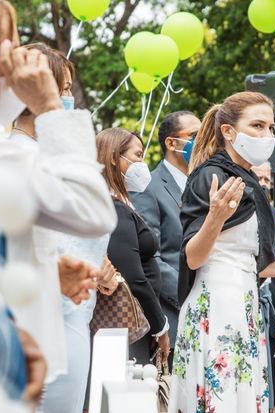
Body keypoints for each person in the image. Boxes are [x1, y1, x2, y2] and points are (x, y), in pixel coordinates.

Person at [0, 0, 117, 401]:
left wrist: (46, 274)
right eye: (9, 52)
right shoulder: (1, 151)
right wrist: (49, 108)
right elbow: (93, 210)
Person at [169, 92, 275, 413]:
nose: (266, 136)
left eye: (271, 128)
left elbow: (255, 262)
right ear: (228, 132)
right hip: (217, 305)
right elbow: (193, 257)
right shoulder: (211, 175)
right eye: (257, 126)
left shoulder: (248, 180)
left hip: (243, 301)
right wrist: (215, 218)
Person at [96, 127, 171, 364]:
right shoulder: (114, 208)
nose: (142, 163)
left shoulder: (120, 204)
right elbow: (133, 276)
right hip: (128, 322)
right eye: (138, 155)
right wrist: (160, 327)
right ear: (113, 158)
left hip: (135, 320)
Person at [131, 110, 201, 363]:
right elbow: (152, 257)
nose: (202, 141)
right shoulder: (148, 187)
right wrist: (191, 295)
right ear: (171, 143)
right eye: (195, 135)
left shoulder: (203, 183)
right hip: (173, 310)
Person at [251, 161, 275, 402]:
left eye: (267, 180)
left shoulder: (274, 215)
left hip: (268, 305)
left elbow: (274, 261)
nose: (264, 184)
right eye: (259, 178)